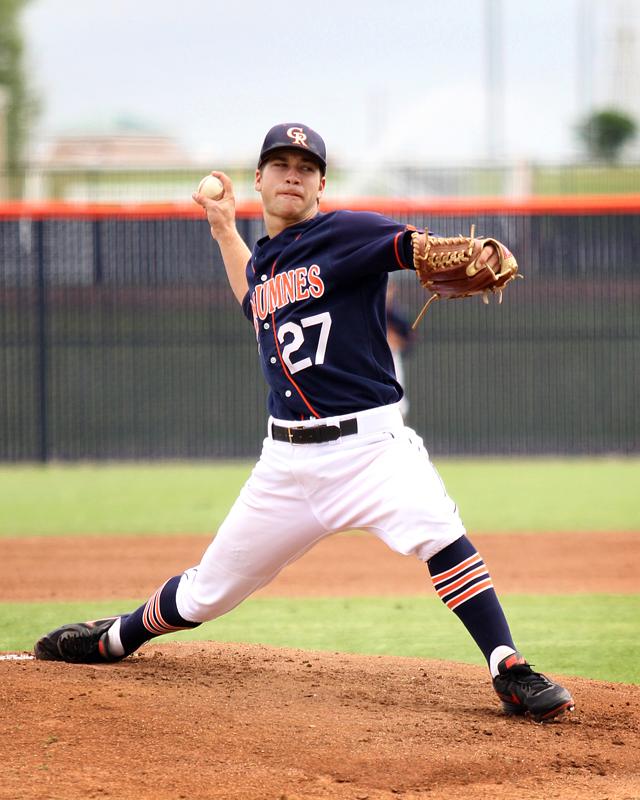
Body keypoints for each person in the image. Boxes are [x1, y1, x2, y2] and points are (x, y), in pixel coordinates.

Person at [34, 123, 574, 722]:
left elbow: (408, 245)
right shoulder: (266, 259)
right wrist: (220, 226)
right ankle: (116, 638)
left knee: (441, 535)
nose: (292, 173)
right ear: (258, 179)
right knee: (209, 590)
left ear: (321, 183)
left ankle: (509, 667)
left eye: (305, 166)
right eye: (280, 163)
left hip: (372, 448)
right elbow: (253, 298)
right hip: (286, 464)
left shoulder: (347, 231)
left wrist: (450, 250)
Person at [385, 282, 414, 418]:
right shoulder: (366, 309)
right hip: (371, 359)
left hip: (392, 357)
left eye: (389, 288)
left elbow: (410, 341)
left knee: (396, 398)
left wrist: (396, 341)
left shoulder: (397, 314)